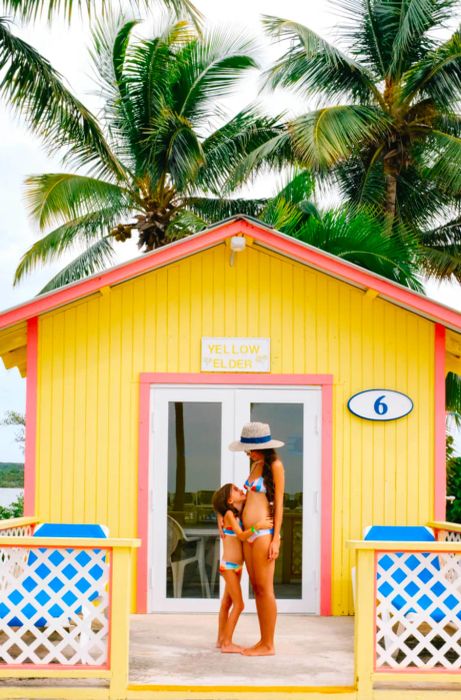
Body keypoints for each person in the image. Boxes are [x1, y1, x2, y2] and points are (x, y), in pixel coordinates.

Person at [229, 422, 285, 656]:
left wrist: (276, 539)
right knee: (256, 588)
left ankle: (268, 644)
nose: (248, 453)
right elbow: (250, 500)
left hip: (263, 535)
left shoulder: (276, 466)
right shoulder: (256, 465)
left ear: (262, 447)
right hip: (249, 534)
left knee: (265, 589)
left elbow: (279, 503)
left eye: (250, 449)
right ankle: (263, 641)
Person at [212, 483, 273, 653]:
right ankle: (227, 643)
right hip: (229, 567)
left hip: (236, 567)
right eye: (237, 490)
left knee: (227, 602)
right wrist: (257, 527)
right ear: (230, 500)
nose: (241, 490)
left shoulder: (236, 513)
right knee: (239, 605)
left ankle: (221, 639)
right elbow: (240, 535)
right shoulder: (230, 514)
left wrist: (219, 513)